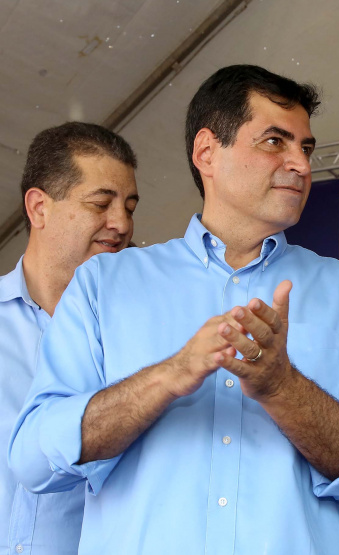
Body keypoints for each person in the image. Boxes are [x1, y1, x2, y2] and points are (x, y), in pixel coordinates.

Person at [9, 65, 339, 554]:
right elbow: (33, 460)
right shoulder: (103, 284)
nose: (301, 165)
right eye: (274, 142)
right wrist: (170, 374)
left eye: (305, 147)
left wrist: (282, 387)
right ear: (207, 153)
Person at [0, 122, 138, 555]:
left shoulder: (144, 339)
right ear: (39, 208)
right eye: (102, 203)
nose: (121, 224)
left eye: (130, 207)